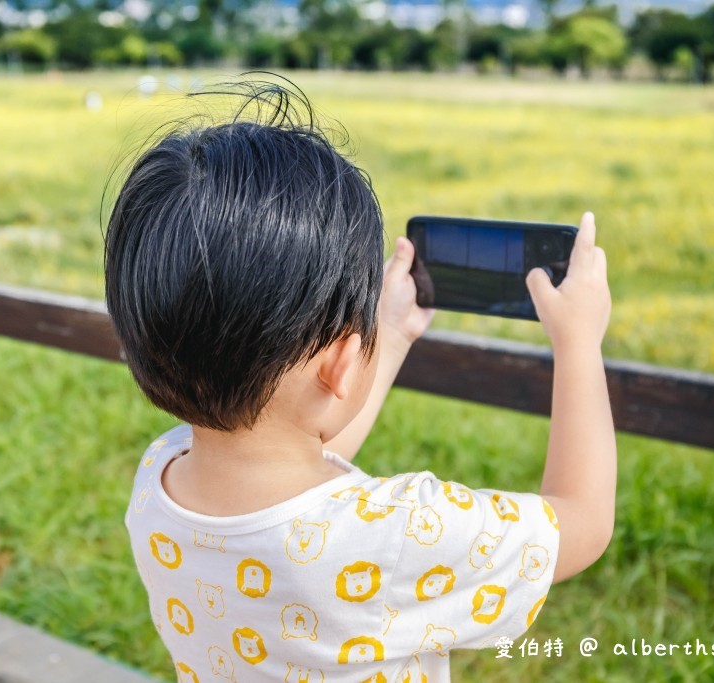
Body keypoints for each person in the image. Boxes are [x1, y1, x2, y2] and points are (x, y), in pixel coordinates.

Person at [104, 76, 615, 683]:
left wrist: (389, 335)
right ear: (344, 364)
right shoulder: (399, 535)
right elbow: (581, 523)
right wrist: (579, 343)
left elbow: (294, 465)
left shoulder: (160, 478)